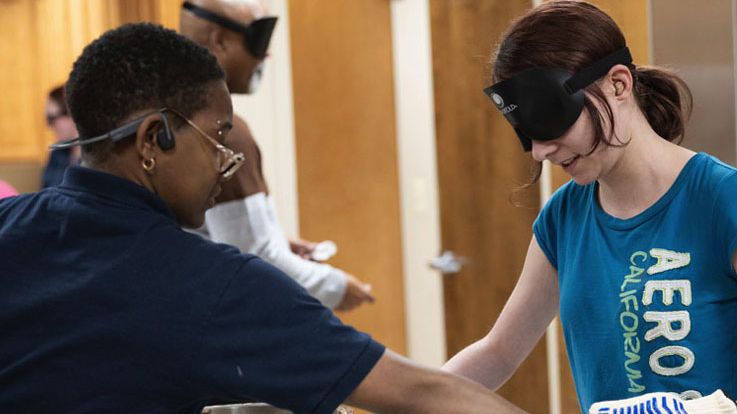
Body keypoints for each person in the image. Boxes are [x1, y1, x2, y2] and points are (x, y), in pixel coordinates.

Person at [0, 22, 526, 414]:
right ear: (152, 141)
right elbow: (420, 392)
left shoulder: (9, 225)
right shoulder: (209, 285)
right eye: (218, 137)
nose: (224, 164)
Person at [443, 1, 737, 412]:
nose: (542, 151)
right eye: (527, 133)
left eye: (552, 121)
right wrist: (406, 399)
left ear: (618, 85)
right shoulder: (563, 217)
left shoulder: (723, 201)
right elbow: (499, 352)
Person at [179, 0, 374, 312]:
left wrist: (275, 238)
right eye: (258, 38)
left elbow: (208, 233)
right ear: (219, 41)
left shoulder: (173, 114)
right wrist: (337, 288)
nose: (267, 53)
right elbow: (254, 257)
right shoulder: (222, 131)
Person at [42, 85, 80, 188]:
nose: (49, 125)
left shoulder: (99, 157)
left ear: (71, 114)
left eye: (51, 118)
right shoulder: (57, 154)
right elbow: (46, 192)